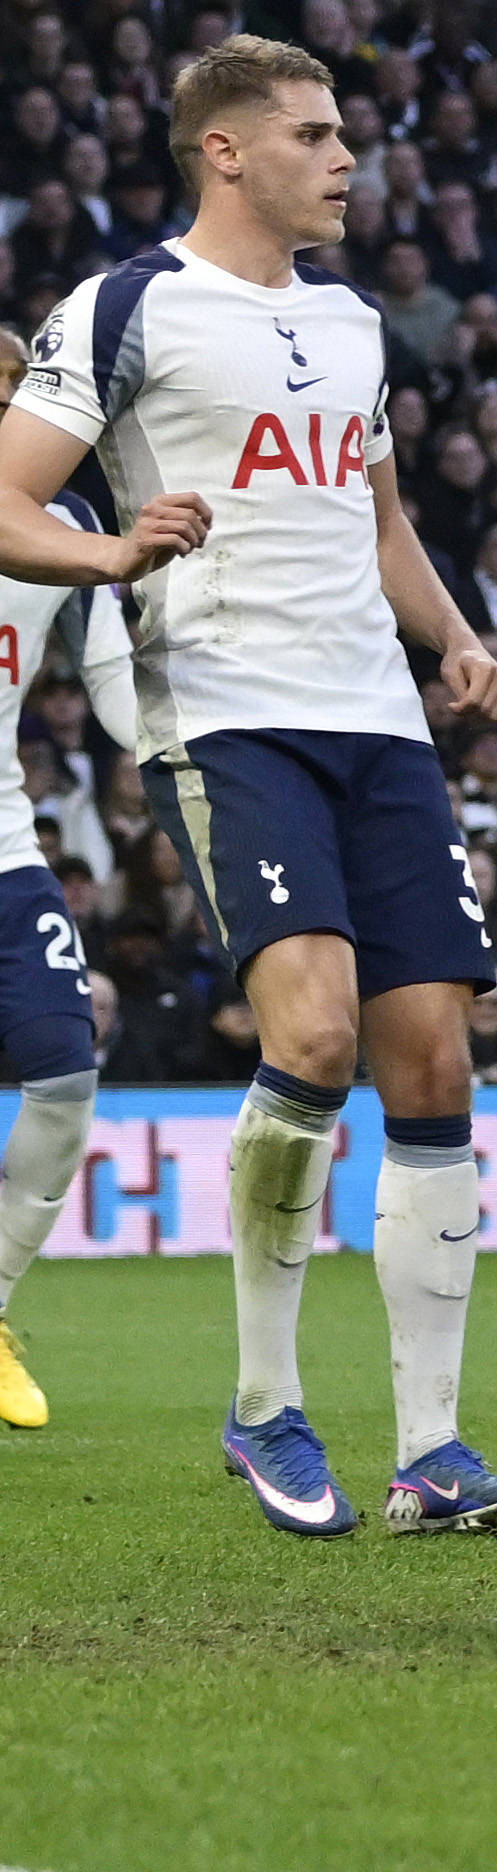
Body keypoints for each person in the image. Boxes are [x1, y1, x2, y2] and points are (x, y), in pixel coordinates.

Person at [0, 35, 497, 1536]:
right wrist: (106, 555)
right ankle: (264, 1411)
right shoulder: (127, 305)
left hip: (378, 721)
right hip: (233, 717)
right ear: (226, 151)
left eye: (345, 133)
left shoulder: (355, 322)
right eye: (313, 134)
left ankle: (433, 1454)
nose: (345, 157)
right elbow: (6, 490)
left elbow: (375, 515)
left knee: (431, 1063)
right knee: (312, 1037)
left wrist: (454, 638)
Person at [0, 328, 125, 1432]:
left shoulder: (70, 528)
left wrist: (178, 761)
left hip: (4, 850)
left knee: (64, 1075)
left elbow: (116, 677)